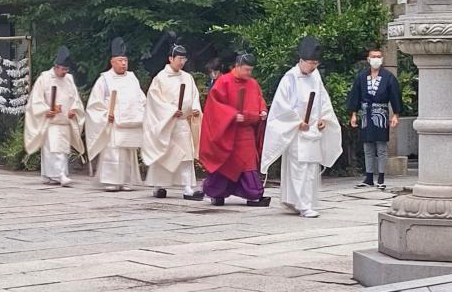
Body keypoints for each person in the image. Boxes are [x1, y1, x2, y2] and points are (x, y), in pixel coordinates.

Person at [261, 36, 342, 218]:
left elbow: (323, 101)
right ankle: (302, 204)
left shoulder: (316, 77)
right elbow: (281, 107)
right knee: (299, 168)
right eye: (311, 63)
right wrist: (297, 122)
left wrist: (324, 119)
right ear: (301, 61)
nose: (313, 67)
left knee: (311, 168)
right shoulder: (290, 78)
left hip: (313, 130)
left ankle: (306, 202)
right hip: (297, 131)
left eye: (316, 63)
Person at [199, 52, 271, 207]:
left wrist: (263, 110)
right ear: (237, 67)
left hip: (247, 132)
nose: (249, 73)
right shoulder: (223, 82)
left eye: (250, 70)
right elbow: (214, 106)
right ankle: (216, 192)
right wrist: (231, 115)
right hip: (229, 132)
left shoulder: (253, 83)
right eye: (246, 69)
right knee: (226, 164)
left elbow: (259, 99)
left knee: (248, 163)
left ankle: (253, 193)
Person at [142, 44, 204, 200]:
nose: (182, 62)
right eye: (179, 58)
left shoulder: (187, 78)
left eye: (184, 58)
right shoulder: (160, 78)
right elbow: (154, 101)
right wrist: (170, 111)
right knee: (163, 154)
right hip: (166, 123)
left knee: (185, 155)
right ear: (171, 59)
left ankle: (187, 187)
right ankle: (159, 185)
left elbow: (194, 95)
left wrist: (195, 108)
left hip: (182, 122)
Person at [86, 37, 146, 192]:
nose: (124, 63)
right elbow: (94, 105)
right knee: (113, 151)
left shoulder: (132, 78)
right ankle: (111, 180)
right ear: (112, 62)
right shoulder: (104, 80)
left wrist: (143, 113)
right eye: (120, 60)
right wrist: (106, 114)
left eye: (125, 60)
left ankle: (126, 180)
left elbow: (141, 99)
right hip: (113, 122)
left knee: (127, 153)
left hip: (130, 123)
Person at [23, 46, 86, 187]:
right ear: (56, 67)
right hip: (51, 121)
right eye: (63, 69)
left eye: (66, 70)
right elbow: (35, 101)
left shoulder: (69, 79)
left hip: (65, 121)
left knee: (62, 150)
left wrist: (74, 110)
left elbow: (75, 99)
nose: (64, 72)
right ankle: (60, 175)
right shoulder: (44, 79)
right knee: (54, 149)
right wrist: (46, 110)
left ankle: (51, 175)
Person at [347, 47, 402, 190]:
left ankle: (381, 177)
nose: (376, 59)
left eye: (379, 56)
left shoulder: (389, 77)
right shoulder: (361, 77)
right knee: (368, 147)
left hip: (381, 113)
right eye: (373, 56)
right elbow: (355, 95)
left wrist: (396, 114)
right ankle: (369, 177)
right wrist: (353, 113)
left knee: (381, 147)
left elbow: (395, 96)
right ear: (368, 59)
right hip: (366, 113)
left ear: (382, 59)